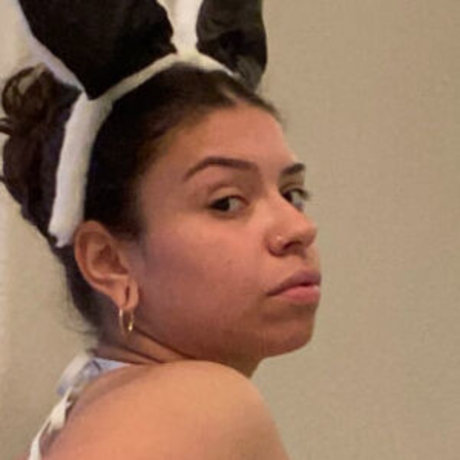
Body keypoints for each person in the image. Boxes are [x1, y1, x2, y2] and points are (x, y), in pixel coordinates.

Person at [1, 1, 321, 459]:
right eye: (226, 202)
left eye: (292, 194)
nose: (298, 227)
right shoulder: (200, 403)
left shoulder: (100, 404)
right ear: (110, 262)